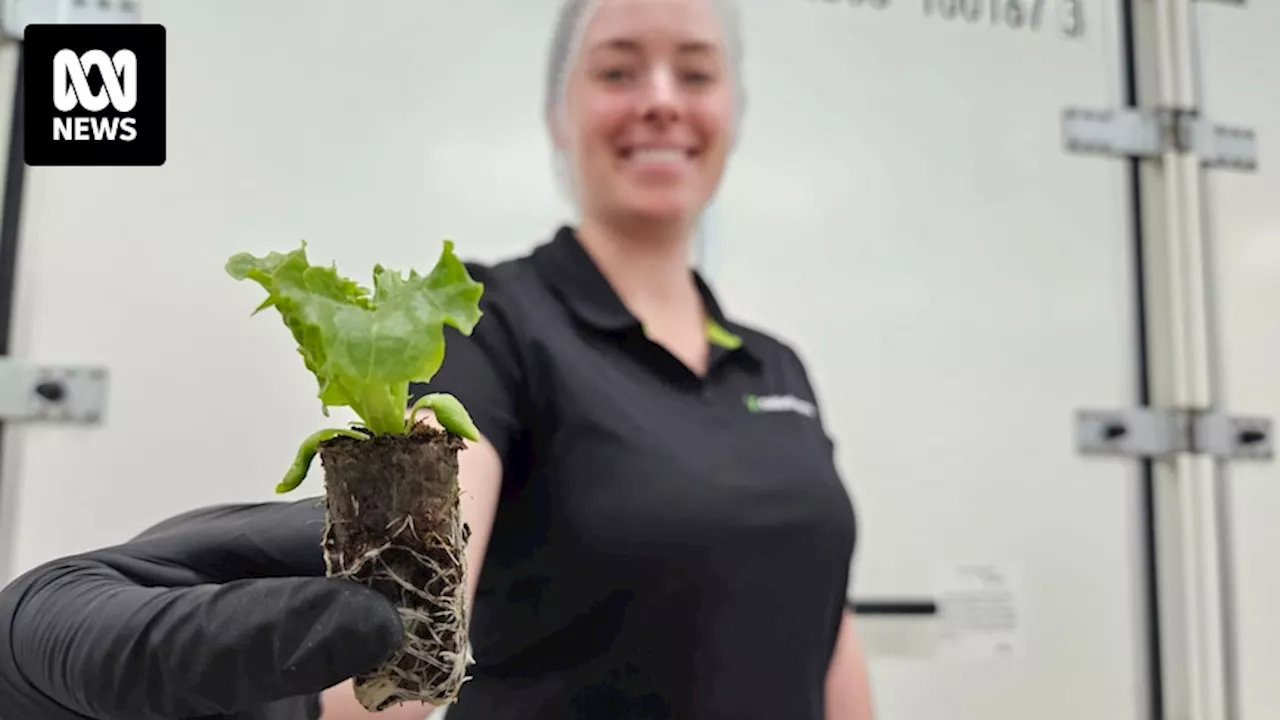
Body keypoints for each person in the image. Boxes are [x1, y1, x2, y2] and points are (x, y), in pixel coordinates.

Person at [0, 0, 873, 718]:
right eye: (616, 69)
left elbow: (825, 627)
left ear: (733, 112)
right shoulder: (497, 326)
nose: (660, 99)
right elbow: (410, 646)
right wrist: (230, 699)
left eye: (696, 71)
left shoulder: (777, 367)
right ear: (557, 113)